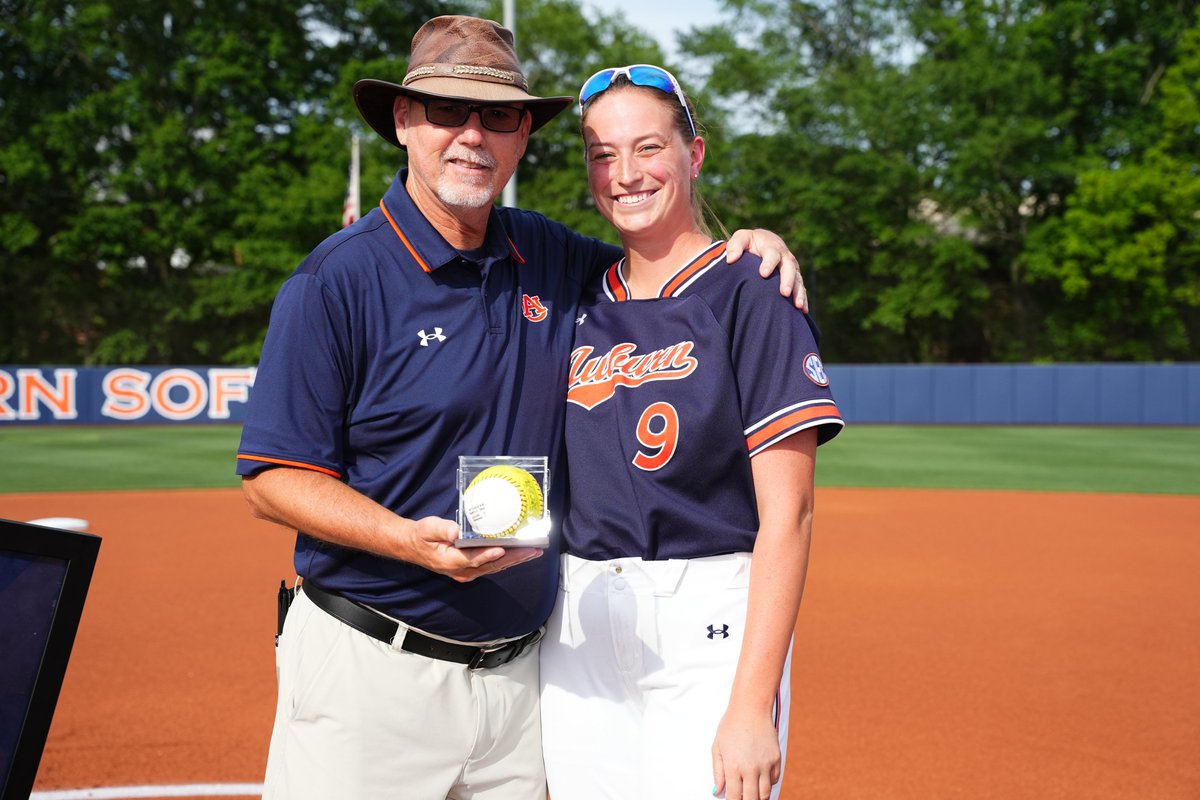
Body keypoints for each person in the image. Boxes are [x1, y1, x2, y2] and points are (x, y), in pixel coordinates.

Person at [235, 17, 808, 800]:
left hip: (524, 689)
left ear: (522, 139)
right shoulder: (337, 280)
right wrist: (409, 542)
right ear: (403, 122)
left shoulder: (548, 253)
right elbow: (269, 477)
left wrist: (754, 246)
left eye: (498, 116)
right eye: (446, 111)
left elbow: (670, 263)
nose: (472, 135)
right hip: (373, 672)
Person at [538, 64, 845, 800]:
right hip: (577, 625)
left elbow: (790, 514)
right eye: (602, 153)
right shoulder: (573, 297)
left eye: (648, 148)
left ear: (694, 155)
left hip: (708, 619)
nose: (625, 173)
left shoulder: (750, 288)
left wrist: (750, 704)